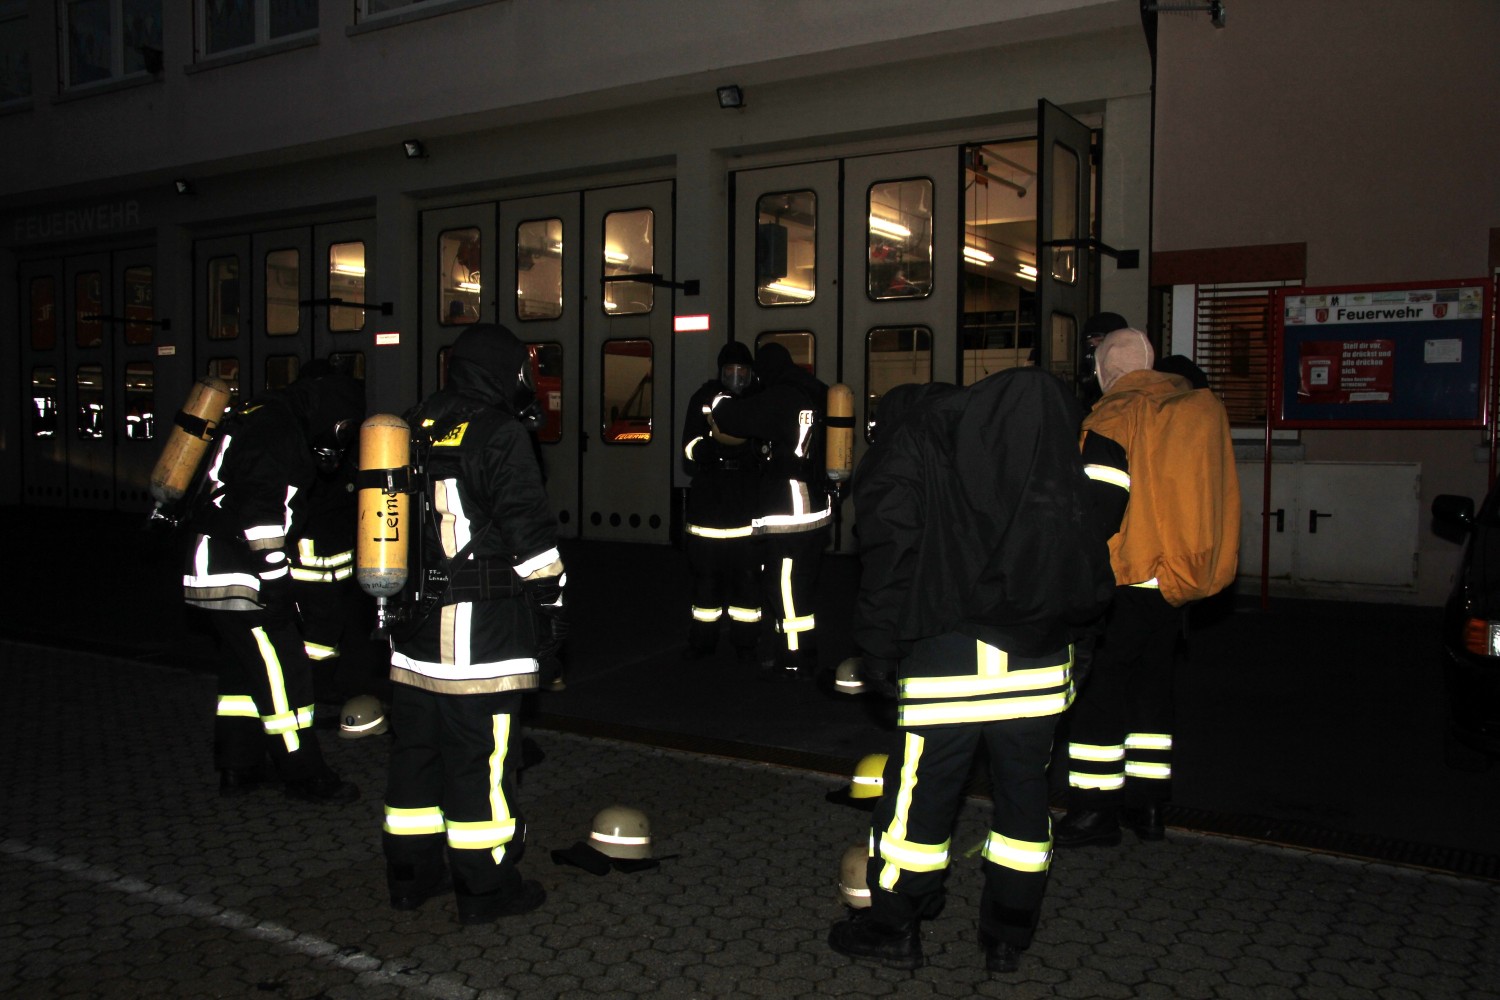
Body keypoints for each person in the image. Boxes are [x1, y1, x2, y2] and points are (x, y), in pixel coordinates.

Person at [827, 369, 1116, 974]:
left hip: (947, 659)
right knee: (1025, 798)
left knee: (919, 799)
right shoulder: (1045, 446)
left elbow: (888, 554)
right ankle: (1008, 935)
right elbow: (1087, 551)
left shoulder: (910, 444)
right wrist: (1081, 644)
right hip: (1039, 661)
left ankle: (896, 925)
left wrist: (878, 648)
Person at [381, 323, 563, 926]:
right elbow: (530, 536)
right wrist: (552, 607)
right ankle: (486, 888)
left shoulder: (412, 422)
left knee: (416, 754)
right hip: (481, 637)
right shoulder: (498, 431)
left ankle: (410, 877)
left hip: (410, 631)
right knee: (481, 762)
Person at [1053, 329, 1238, 847]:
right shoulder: (1197, 411)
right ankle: (1149, 805)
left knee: (1100, 694)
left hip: (1124, 578)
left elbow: (1098, 509)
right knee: (1153, 691)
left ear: (1104, 371)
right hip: (1177, 581)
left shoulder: (1113, 415)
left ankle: (1094, 811)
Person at [183, 365, 366, 803]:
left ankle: (238, 766)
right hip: (242, 574)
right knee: (287, 675)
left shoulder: (261, 414)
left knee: (242, 674)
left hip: (216, 566)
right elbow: (262, 511)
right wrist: (276, 581)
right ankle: (304, 774)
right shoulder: (278, 428)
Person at [708, 341, 832, 678]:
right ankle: (803, 651)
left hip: (790, 510)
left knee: (785, 587)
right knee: (801, 587)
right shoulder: (814, 392)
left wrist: (719, 398)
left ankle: (794, 660)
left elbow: (733, 418)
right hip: (814, 504)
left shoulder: (782, 397)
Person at [680, 341, 762, 662]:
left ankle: (746, 643)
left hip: (746, 500)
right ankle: (702, 642)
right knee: (706, 580)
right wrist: (714, 448)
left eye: (743, 372)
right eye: (730, 371)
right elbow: (689, 447)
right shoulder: (703, 398)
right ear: (720, 372)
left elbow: (766, 444)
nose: (737, 378)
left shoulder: (758, 400)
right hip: (709, 502)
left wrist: (749, 451)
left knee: (748, 579)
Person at [1077, 311, 1130, 407]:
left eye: (1100, 341)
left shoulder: (1131, 378)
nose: (1094, 349)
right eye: (1090, 344)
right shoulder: (1091, 374)